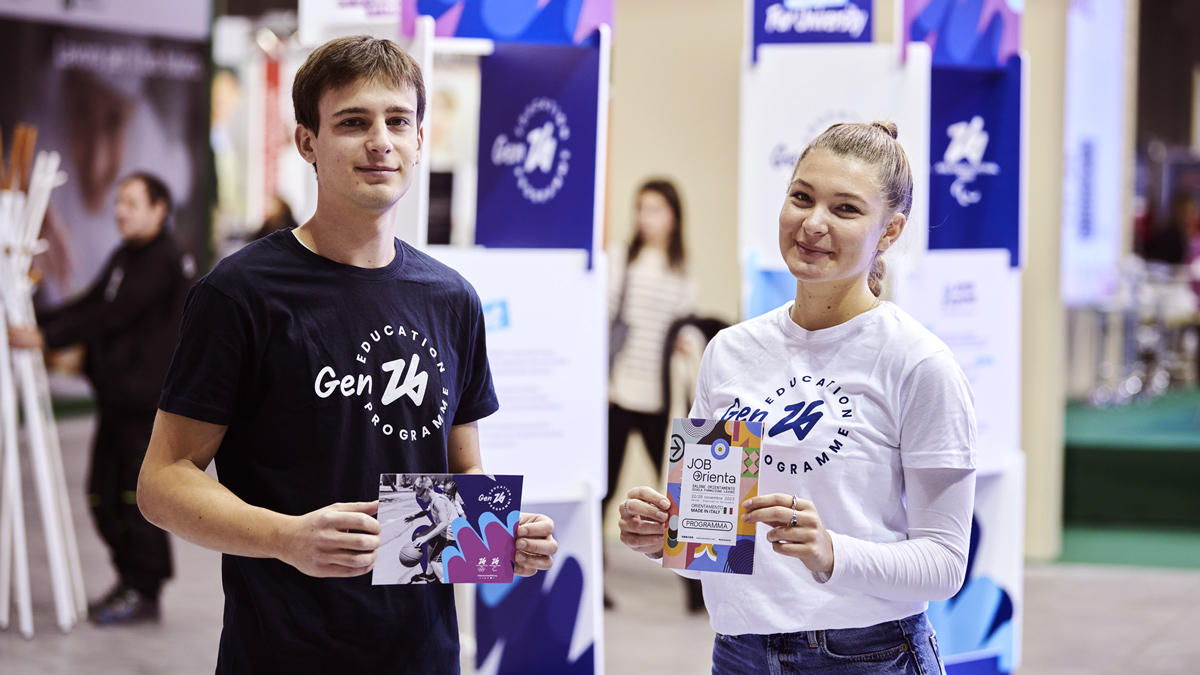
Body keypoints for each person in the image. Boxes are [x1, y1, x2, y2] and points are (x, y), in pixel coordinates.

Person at [136, 36, 557, 673]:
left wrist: (502, 536)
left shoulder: (451, 300)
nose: (379, 141)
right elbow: (163, 482)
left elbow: (462, 473)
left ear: (420, 139)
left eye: (397, 121)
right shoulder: (240, 293)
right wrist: (285, 537)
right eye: (352, 122)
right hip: (282, 652)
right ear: (307, 142)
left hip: (422, 652)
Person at [618, 121, 975, 674]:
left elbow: (946, 563)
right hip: (740, 651)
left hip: (867, 654)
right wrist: (663, 536)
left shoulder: (918, 363)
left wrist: (831, 551)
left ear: (890, 230)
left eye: (846, 209)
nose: (813, 224)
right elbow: (706, 548)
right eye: (801, 198)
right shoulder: (730, 351)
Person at [9, 172, 194, 625]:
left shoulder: (164, 259)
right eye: (118, 202)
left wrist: (45, 337)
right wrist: (36, 319)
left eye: (131, 203)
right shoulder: (126, 255)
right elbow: (91, 301)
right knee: (101, 496)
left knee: (133, 499)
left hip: (145, 406)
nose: (119, 211)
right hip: (117, 401)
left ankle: (144, 590)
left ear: (159, 209)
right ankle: (132, 580)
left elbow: (112, 314)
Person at [604, 178, 699, 609]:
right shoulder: (623, 259)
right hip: (619, 394)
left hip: (660, 398)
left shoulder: (683, 269)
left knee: (682, 490)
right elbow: (604, 323)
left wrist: (686, 342)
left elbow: (685, 329)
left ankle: (695, 586)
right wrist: (603, 383)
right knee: (606, 491)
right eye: (641, 209)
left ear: (673, 216)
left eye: (656, 210)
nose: (646, 218)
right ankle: (595, 578)